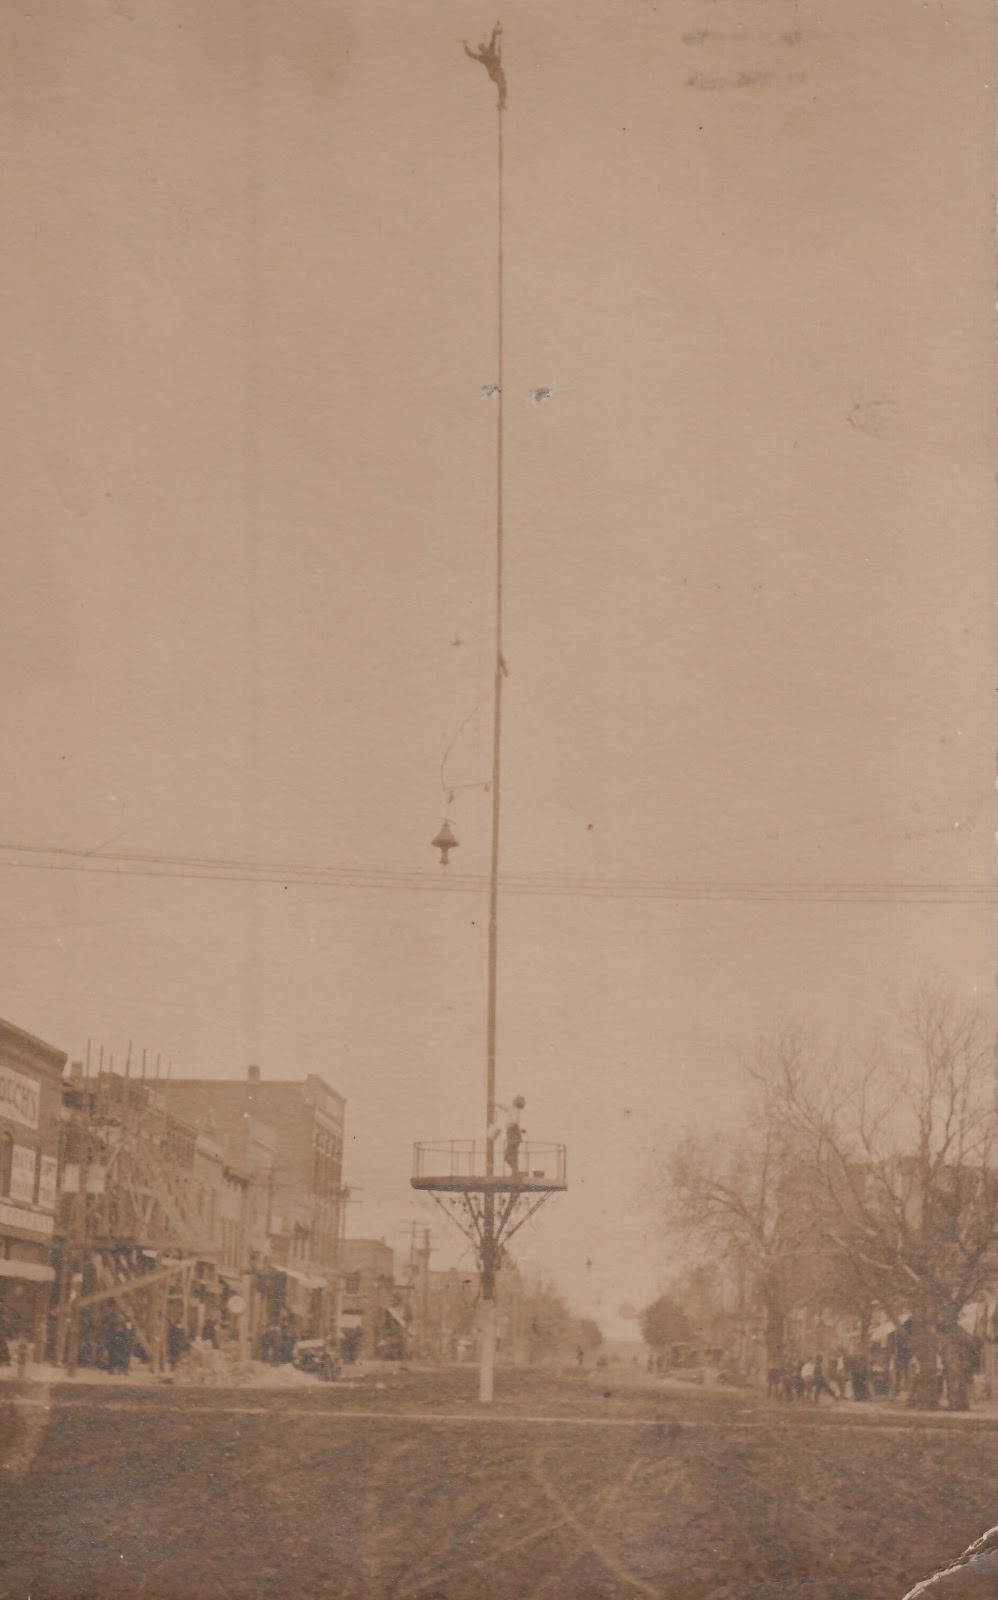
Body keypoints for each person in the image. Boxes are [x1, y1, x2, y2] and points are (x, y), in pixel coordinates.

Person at [490, 1096, 526, 1175]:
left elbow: (512, 1121)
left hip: (513, 1135)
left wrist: (504, 1125)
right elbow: (504, 1107)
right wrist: (494, 1103)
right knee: (512, 1155)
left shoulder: (513, 1110)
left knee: (509, 1155)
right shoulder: (514, 1110)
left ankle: (515, 1171)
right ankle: (515, 1171)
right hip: (514, 1135)